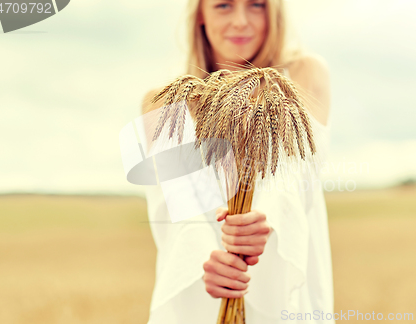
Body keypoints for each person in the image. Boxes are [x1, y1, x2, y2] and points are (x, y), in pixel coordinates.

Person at [141, 0, 334, 323]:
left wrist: (267, 217)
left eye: (257, 5)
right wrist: (207, 261)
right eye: (224, 6)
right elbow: (174, 206)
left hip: (284, 289)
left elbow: (297, 169)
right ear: (200, 14)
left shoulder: (304, 73)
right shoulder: (160, 101)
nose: (241, 21)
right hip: (202, 297)